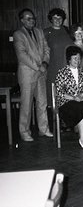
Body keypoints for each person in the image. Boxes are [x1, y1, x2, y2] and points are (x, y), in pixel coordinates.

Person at [13, 8, 53, 141]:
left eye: (33, 18)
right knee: (26, 104)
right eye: (28, 18)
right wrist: (38, 67)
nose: (32, 21)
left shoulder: (39, 32)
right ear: (22, 20)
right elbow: (22, 55)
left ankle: (44, 129)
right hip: (27, 74)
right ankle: (24, 131)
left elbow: (47, 49)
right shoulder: (18, 34)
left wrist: (45, 64)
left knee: (42, 102)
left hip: (41, 73)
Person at [55, 46, 83, 150]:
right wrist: (74, 97)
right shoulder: (62, 72)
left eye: (79, 58)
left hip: (79, 100)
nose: (77, 61)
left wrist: (81, 95)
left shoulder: (82, 72)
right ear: (69, 59)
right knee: (80, 108)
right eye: (75, 58)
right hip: (66, 102)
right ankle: (81, 137)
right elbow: (59, 92)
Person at [43, 8, 73, 105]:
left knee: (68, 96)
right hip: (53, 68)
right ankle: (54, 119)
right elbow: (42, 51)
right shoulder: (46, 32)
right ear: (51, 19)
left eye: (60, 18)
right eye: (55, 18)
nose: (57, 20)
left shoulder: (67, 31)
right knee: (54, 97)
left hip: (67, 68)